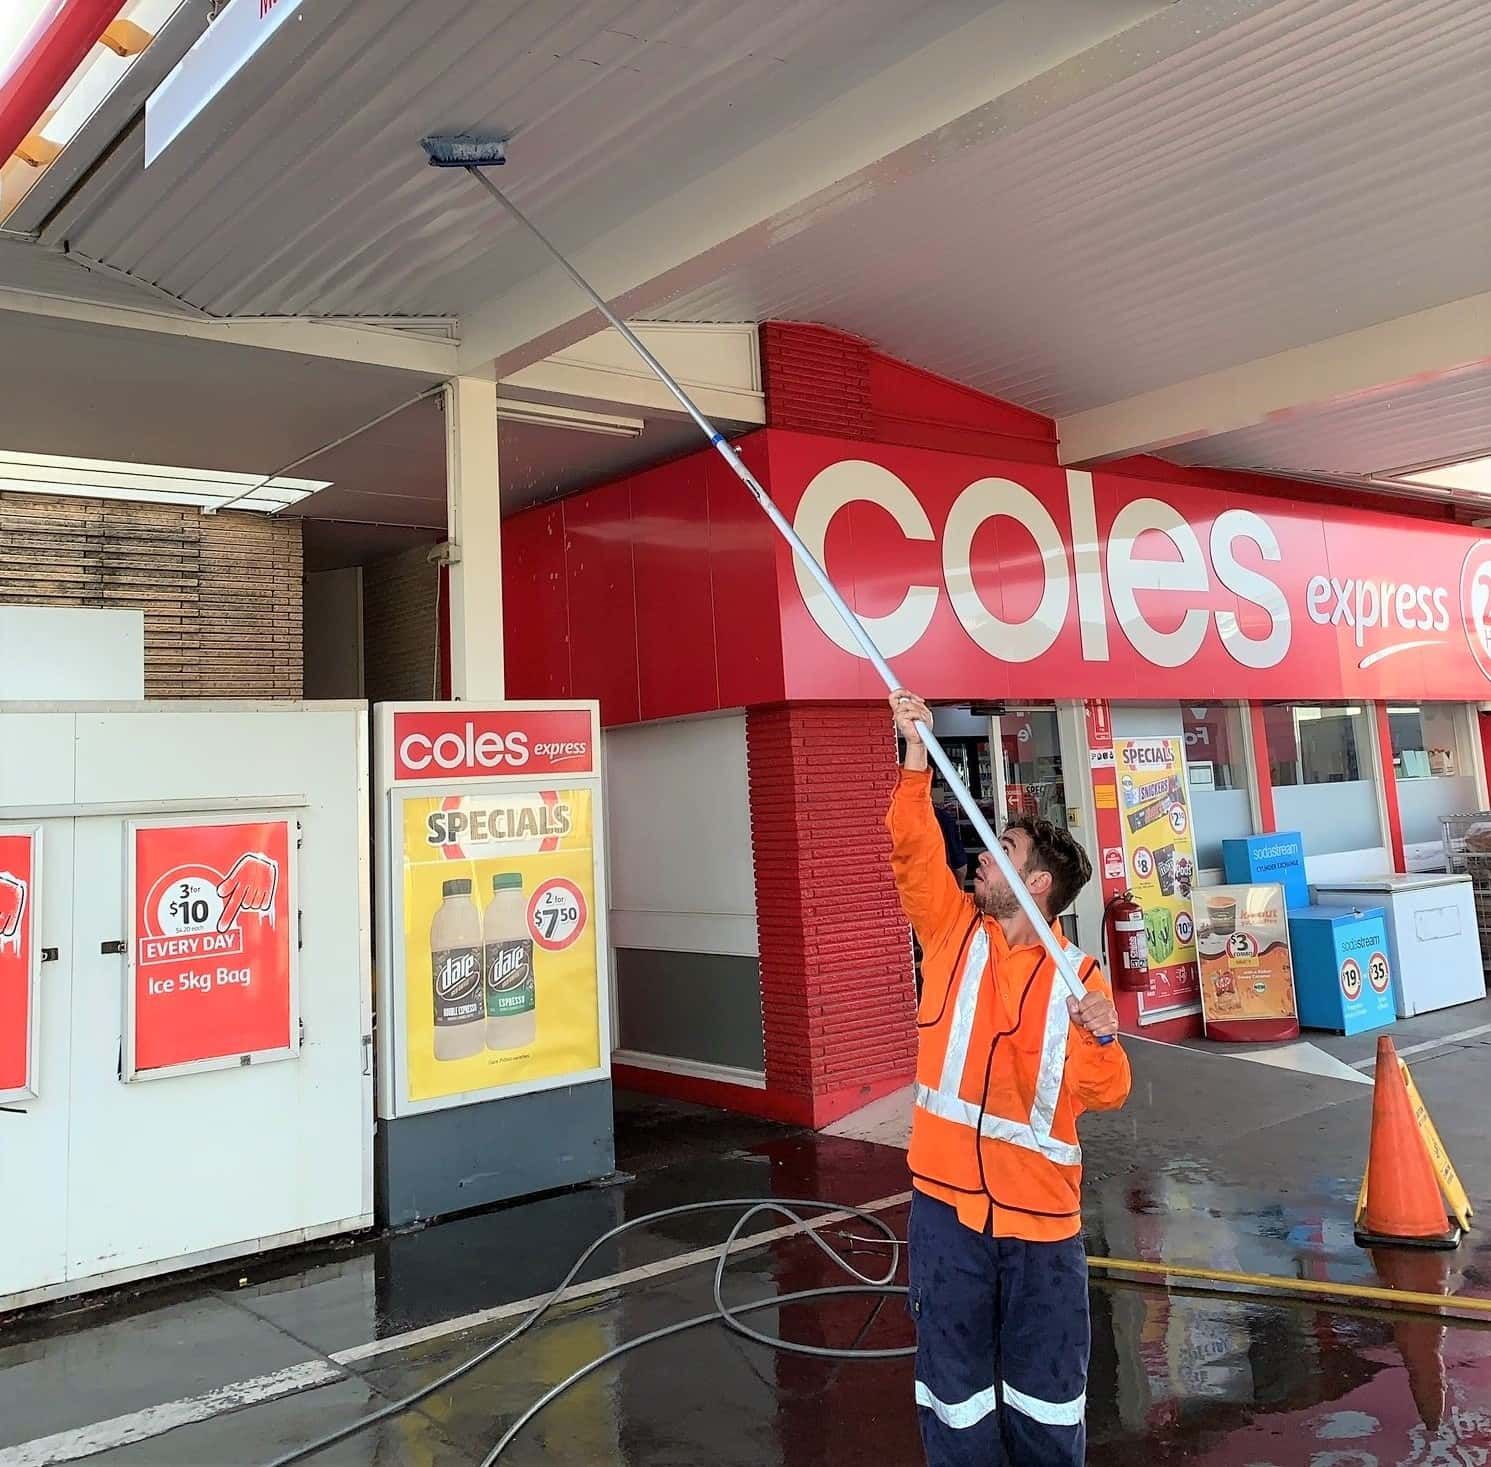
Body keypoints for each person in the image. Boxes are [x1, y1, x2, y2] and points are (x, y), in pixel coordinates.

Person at [887, 689, 1131, 1467]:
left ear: (1037, 885)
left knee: (1045, 1405)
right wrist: (915, 752)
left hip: (1040, 1231)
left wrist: (1099, 1031)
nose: (981, 857)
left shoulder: (1078, 978)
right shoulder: (953, 932)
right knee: (954, 1400)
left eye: (1002, 850)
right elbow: (912, 847)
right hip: (947, 1218)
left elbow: (1107, 1089)